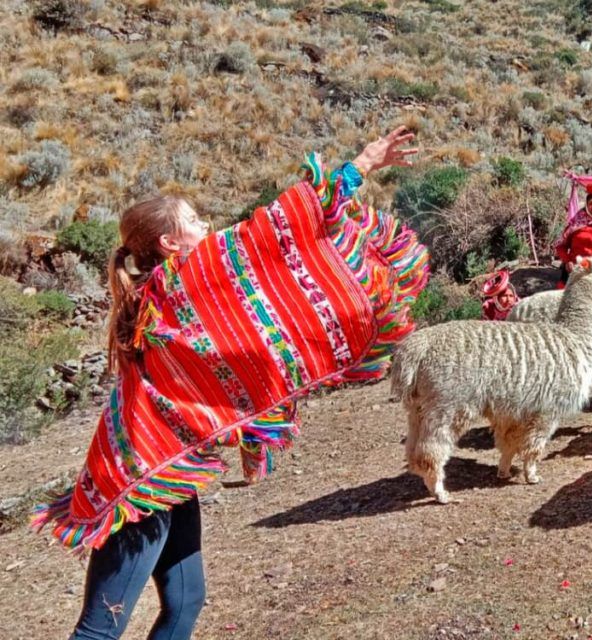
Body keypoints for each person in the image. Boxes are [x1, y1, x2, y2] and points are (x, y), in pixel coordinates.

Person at [35, 127, 425, 640]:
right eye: (194, 221)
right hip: (139, 481)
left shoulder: (177, 293)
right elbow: (269, 232)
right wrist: (361, 165)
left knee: (186, 602)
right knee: (100, 629)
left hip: (166, 470)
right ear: (169, 242)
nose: (208, 225)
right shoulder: (177, 287)